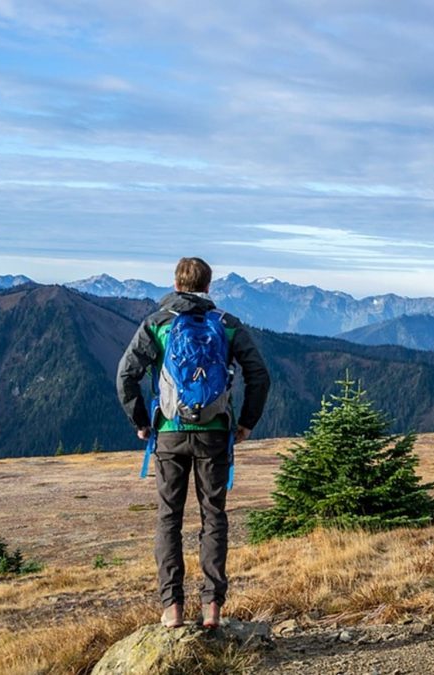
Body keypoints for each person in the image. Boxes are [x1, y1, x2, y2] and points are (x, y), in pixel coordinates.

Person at [116, 257, 270, 628]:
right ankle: (212, 607)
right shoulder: (227, 325)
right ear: (208, 285)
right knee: (213, 516)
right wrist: (247, 423)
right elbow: (259, 376)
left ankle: (172, 608)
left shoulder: (157, 324)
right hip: (215, 433)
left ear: (176, 283)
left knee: (169, 518)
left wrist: (141, 422)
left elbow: (126, 377)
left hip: (168, 434)